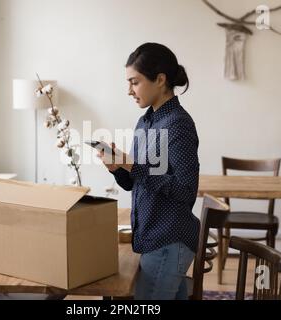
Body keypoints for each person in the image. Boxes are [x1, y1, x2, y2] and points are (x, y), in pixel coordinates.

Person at [97, 43, 200, 300]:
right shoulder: (145, 121)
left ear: (160, 80)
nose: (129, 91)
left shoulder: (178, 124)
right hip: (153, 237)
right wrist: (118, 169)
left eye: (135, 82)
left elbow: (186, 192)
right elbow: (136, 183)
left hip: (169, 240)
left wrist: (132, 165)